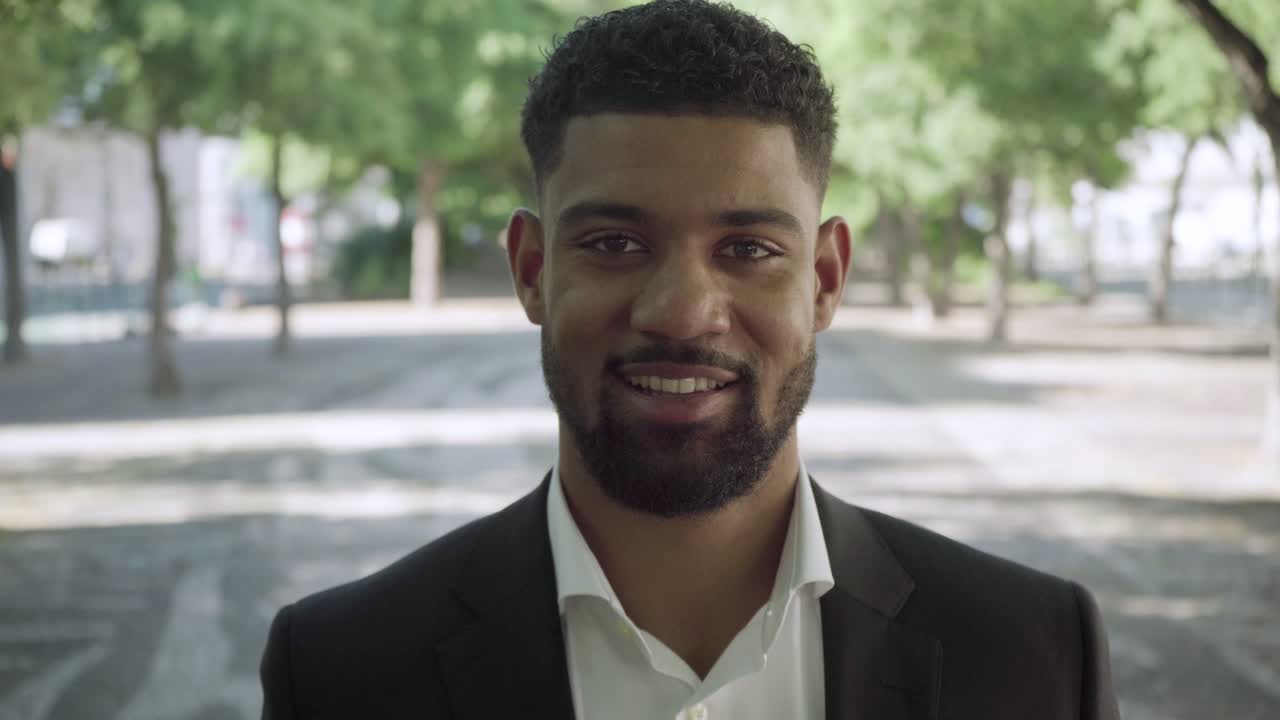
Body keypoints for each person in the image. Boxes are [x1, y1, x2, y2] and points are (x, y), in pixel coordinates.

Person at [259, 1, 1120, 718]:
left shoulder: (1034, 653)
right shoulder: (341, 672)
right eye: (615, 241)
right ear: (532, 270)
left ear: (824, 280)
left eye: (747, 249)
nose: (681, 312)